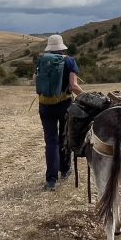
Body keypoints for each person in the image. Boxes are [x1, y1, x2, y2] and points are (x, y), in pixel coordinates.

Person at [34, 34, 83, 191]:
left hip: (45, 105)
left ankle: (51, 179)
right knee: (64, 136)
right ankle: (65, 169)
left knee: (51, 141)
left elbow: (35, 80)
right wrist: (86, 97)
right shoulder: (69, 61)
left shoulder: (42, 61)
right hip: (64, 105)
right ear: (62, 48)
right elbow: (73, 86)